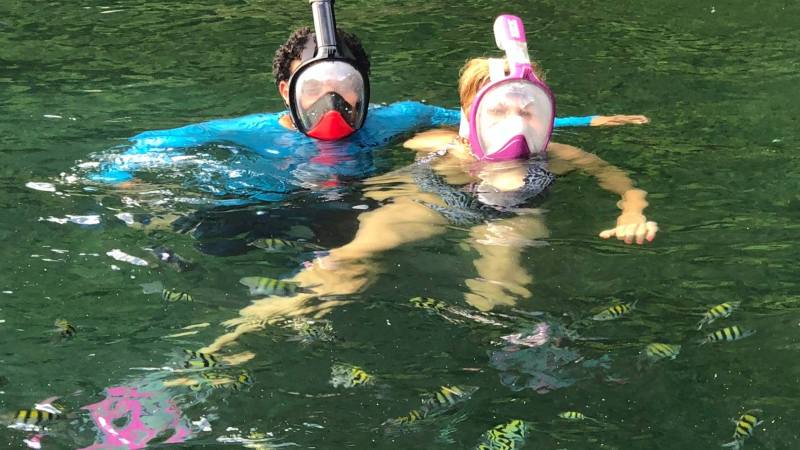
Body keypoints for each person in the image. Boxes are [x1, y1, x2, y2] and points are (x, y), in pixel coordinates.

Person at [199, 14, 657, 353]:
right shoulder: (435, 140)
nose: (513, 124)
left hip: (510, 213)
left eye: (527, 111)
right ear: (468, 113)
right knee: (343, 264)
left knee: (500, 284)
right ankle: (230, 342)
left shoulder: (558, 153)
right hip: (431, 200)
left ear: (543, 114)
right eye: (496, 111)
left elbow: (622, 185)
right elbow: (392, 173)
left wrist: (632, 211)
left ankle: (490, 357)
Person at [85, 0, 648, 203]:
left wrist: (585, 119)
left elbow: (488, 117)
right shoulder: (255, 130)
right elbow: (153, 144)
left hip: (360, 199)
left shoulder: (395, 119)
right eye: (317, 91)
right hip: (270, 197)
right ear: (286, 91)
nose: (335, 103)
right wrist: (122, 178)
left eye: (349, 90)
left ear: (367, 89)